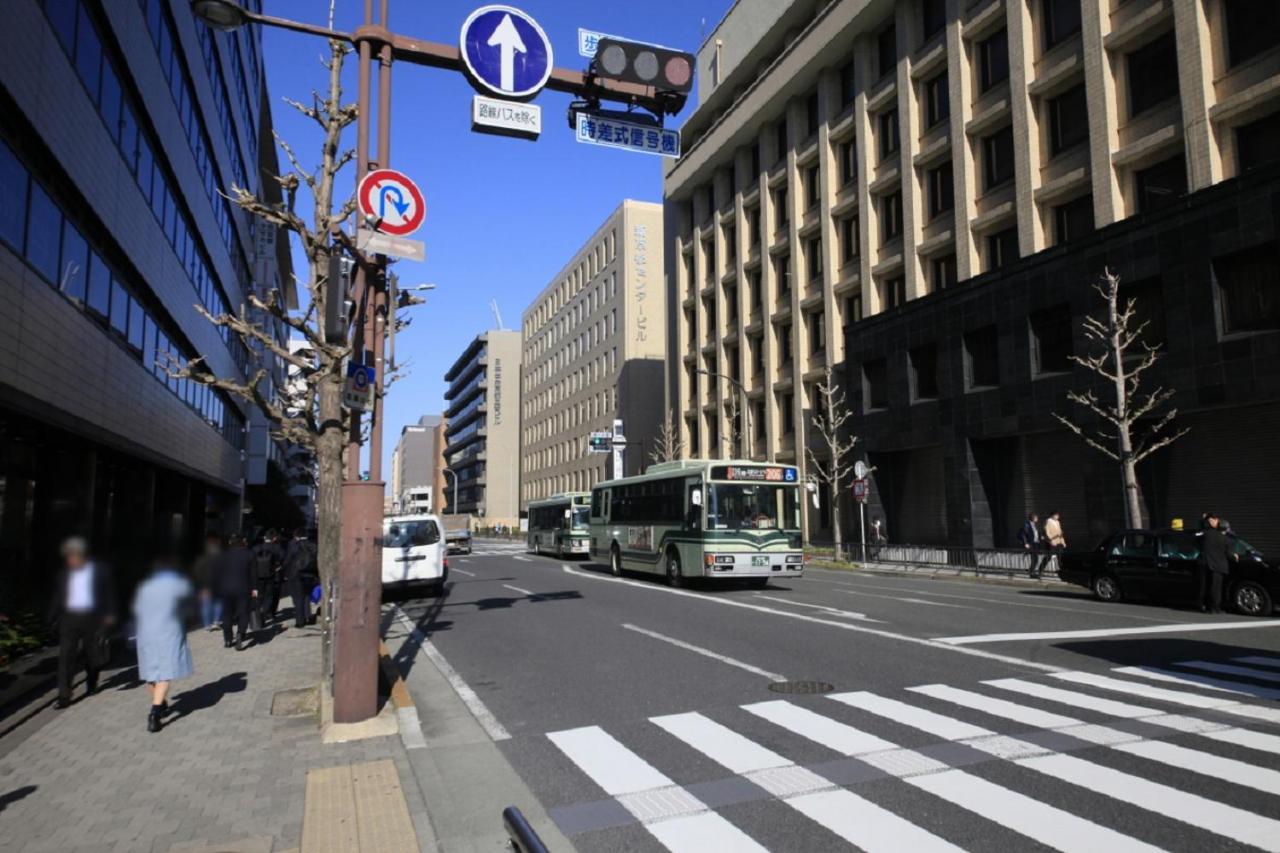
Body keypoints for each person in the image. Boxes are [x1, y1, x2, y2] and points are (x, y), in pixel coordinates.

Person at [47, 537, 116, 709]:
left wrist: (109, 616)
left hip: (92, 618)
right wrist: (50, 619)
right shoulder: (64, 574)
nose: (71, 560)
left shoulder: (99, 571)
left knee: (92, 654)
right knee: (65, 657)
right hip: (69, 619)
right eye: (69, 556)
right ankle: (64, 695)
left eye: (74, 556)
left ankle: (92, 681)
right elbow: (57, 598)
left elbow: (109, 595)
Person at [132, 555, 194, 733]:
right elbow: (188, 609)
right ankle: (155, 713)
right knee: (165, 673)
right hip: (169, 632)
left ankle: (160, 703)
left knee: (151, 673)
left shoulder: (144, 587)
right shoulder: (178, 585)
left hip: (146, 632)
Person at [216, 534, 257, 650]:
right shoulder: (249, 554)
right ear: (242, 542)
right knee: (243, 612)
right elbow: (254, 574)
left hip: (225, 589)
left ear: (230, 543)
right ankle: (240, 633)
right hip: (244, 588)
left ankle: (228, 639)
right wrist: (255, 590)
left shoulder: (223, 555)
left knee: (227, 614)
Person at [283, 528, 317, 629]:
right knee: (306, 596)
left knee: (298, 598)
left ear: (297, 536)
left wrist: (286, 573)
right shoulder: (313, 545)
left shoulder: (294, 546)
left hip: (296, 574)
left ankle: (300, 620)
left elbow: (287, 561)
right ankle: (308, 616)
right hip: (310, 574)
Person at [1199, 513, 1233, 613]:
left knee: (1205, 586)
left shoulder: (1206, 534)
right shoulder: (1226, 539)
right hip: (1218, 566)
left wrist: (1205, 519)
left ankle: (1204, 605)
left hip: (1205, 564)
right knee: (1216, 588)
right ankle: (1215, 607)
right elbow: (1229, 554)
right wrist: (1235, 556)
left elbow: (1200, 532)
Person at [252, 530, 285, 626]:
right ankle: (265, 613)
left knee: (257, 596)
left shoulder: (256, 548)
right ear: (274, 538)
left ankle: (257, 614)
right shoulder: (277, 548)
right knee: (269, 596)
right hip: (272, 576)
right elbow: (284, 559)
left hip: (257, 577)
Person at [191, 533, 223, 631]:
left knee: (206, 605)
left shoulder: (201, 559)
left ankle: (207, 624)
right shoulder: (220, 558)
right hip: (218, 584)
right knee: (218, 603)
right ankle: (216, 621)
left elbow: (197, 572)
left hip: (205, 585)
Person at [1017, 513, 1042, 578]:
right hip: (1031, 544)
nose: (1038, 519)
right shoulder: (1027, 524)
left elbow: (1035, 534)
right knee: (1034, 559)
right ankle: (1031, 573)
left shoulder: (1034, 525)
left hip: (1036, 543)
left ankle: (1031, 572)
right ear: (1033, 518)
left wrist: (1040, 538)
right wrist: (1025, 543)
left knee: (1035, 559)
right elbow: (1023, 534)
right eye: (1036, 518)